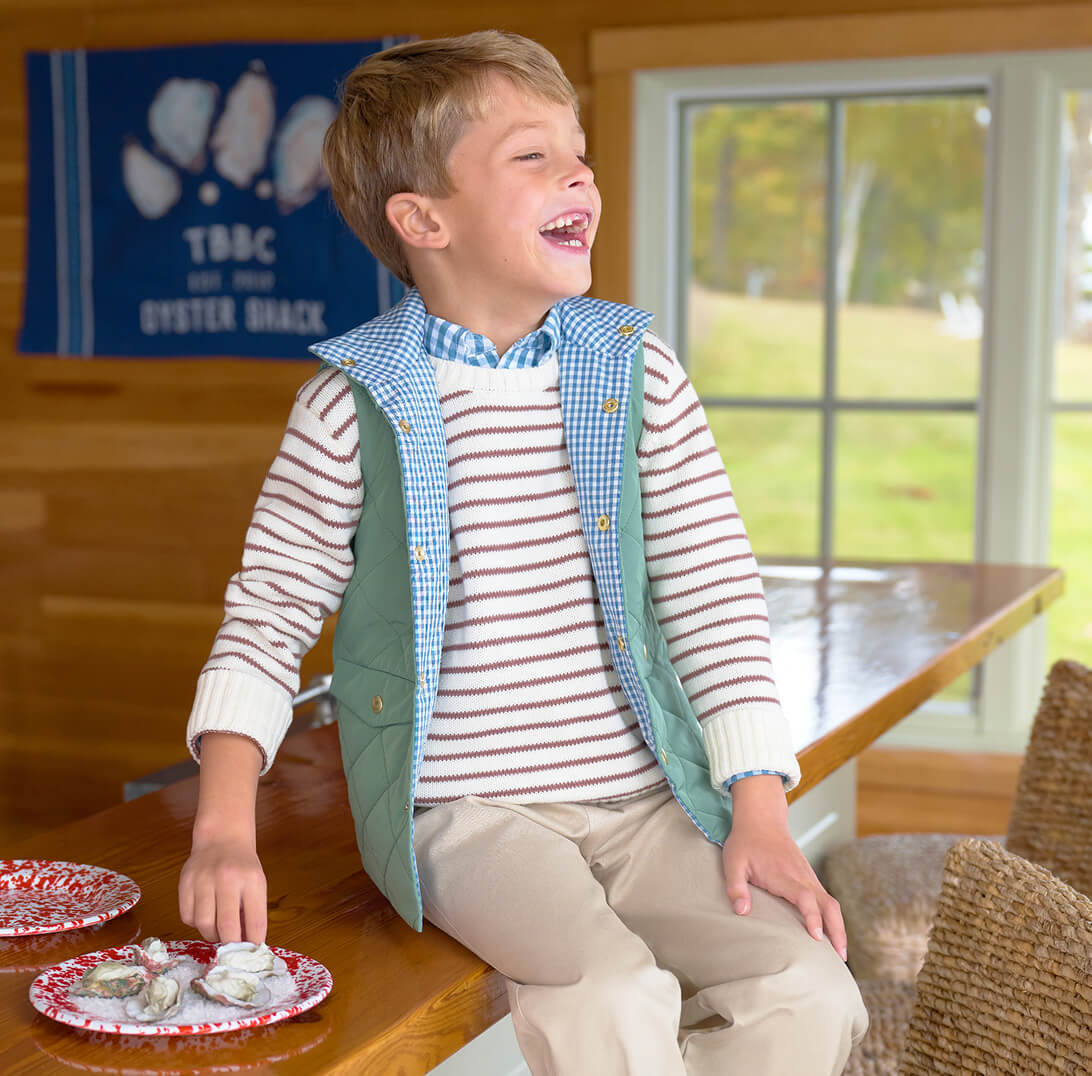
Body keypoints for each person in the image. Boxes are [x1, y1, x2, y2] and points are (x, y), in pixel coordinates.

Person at [178, 30, 868, 1074]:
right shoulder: (350, 403)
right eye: (532, 155)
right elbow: (267, 618)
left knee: (808, 988)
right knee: (608, 992)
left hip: (648, 800)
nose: (579, 173)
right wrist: (225, 826)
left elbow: (715, 592)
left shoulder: (637, 373)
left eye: (578, 151)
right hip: (470, 815)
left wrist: (758, 807)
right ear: (423, 219)